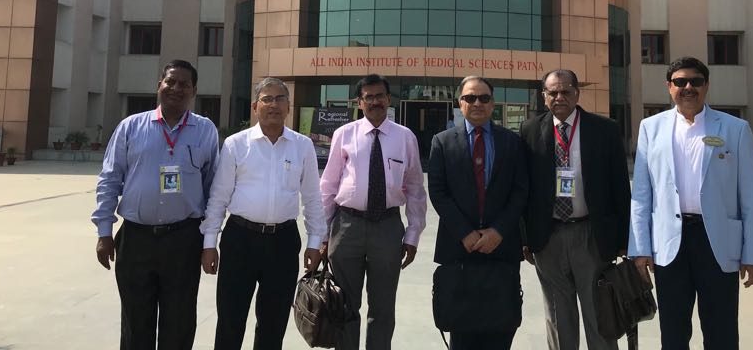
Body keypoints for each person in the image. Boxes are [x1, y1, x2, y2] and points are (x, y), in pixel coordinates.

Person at [629, 56, 753, 349]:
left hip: (717, 241)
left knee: (721, 331)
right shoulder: (651, 128)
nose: (688, 87)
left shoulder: (735, 129)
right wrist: (640, 248)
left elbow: (751, 197)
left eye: (696, 81)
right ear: (669, 87)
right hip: (670, 243)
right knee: (673, 331)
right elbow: (641, 194)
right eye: (680, 82)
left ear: (706, 86)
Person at [92, 60, 220, 350]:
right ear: (159, 85)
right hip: (136, 239)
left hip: (184, 240)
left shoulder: (205, 130)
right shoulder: (131, 127)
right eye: (170, 82)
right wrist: (103, 232)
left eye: (184, 84)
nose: (176, 88)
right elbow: (109, 179)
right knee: (136, 324)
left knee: (179, 322)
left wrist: (209, 241)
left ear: (194, 91)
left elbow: (214, 188)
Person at [200, 77, 326, 350]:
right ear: (255, 106)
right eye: (267, 99)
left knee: (273, 324)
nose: (274, 105)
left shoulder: (302, 145)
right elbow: (219, 197)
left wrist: (315, 241)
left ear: (289, 107)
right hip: (240, 240)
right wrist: (210, 243)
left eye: (280, 99)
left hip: (283, 242)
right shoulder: (236, 144)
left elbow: (312, 198)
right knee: (230, 320)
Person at [519, 69, 631, 350]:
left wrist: (623, 239)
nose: (560, 97)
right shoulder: (529, 130)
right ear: (544, 96)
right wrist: (525, 237)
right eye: (553, 92)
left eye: (566, 91)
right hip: (548, 237)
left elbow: (620, 187)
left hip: (591, 233)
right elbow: (523, 188)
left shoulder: (604, 129)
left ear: (577, 94)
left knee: (599, 314)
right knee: (558, 317)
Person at [319, 74, 427, 350]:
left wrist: (413, 235)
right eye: (369, 97)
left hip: (387, 228)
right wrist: (322, 235)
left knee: (383, 308)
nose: (375, 101)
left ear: (389, 99)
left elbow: (415, 188)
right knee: (345, 304)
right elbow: (328, 186)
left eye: (380, 96)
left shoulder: (405, 137)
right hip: (347, 227)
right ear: (359, 102)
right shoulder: (345, 134)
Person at [428, 76, 529, 350]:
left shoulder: (512, 142)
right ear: (459, 103)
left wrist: (499, 231)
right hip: (460, 250)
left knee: (501, 331)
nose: (477, 103)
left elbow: (520, 191)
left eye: (484, 98)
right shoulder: (442, 142)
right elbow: (438, 192)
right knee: (463, 335)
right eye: (470, 98)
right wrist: (465, 233)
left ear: (493, 104)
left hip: (502, 250)